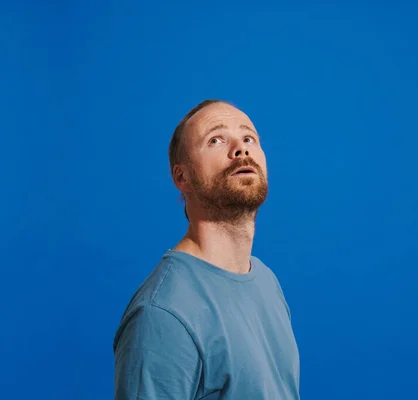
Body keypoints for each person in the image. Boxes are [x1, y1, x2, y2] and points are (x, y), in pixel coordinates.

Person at [113, 100, 300, 400]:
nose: (241, 149)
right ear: (181, 177)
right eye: (216, 140)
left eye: (249, 138)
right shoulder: (163, 314)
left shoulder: (266, 281)